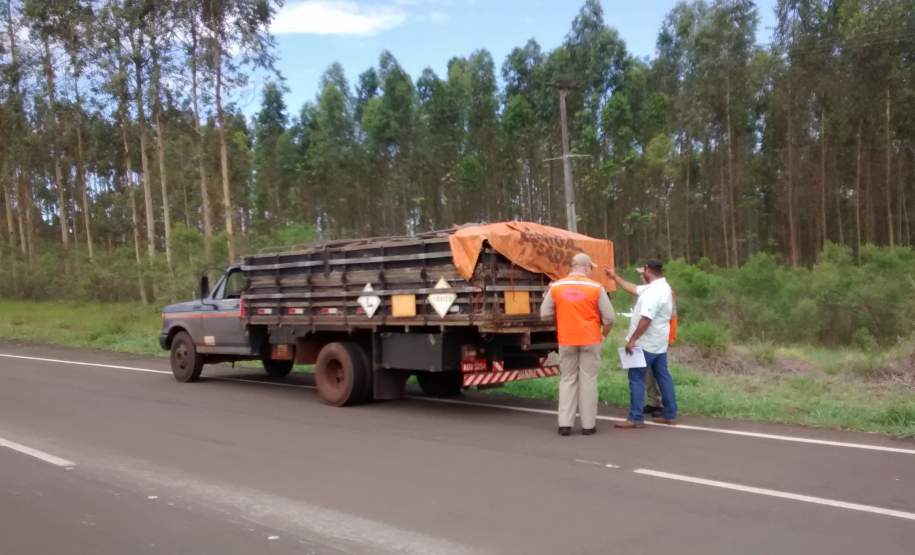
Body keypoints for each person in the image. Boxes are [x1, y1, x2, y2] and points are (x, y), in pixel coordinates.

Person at [540, 253, 615, 436]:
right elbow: (610, 318)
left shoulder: (556, 287)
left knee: (567, 380)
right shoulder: (596, 287)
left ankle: (565, 424)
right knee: (588, 380)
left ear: (573, 267)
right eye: (591, 268)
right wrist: (603, 335)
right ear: (586, 267)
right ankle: (588, 425)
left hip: (567, 339)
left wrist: (561, 315)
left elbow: (544, 314)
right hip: (590, 339)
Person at [605, 259, 678, 427]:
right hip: (659, 343)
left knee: (636, 377)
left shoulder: (654, 292)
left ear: (647, 270)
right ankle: (670, 414)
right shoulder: (661, 287)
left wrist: (632, 339)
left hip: (646, 343)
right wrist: (615, 277)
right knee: (663, 376)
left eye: (643, 271)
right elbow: (634, 289)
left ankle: (635, 418)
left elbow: (646, 319)